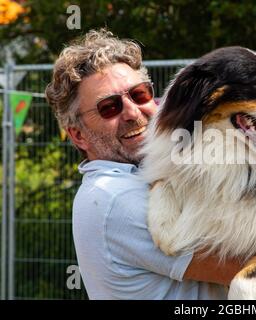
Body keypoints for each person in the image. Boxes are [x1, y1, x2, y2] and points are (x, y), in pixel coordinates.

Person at [45, 29, 242, 300]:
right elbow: (245, 263)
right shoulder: (114, 197)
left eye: (139, 94)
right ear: (78, 135)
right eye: (109, 107)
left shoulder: (150, 173)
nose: (133, 112)